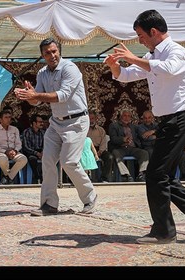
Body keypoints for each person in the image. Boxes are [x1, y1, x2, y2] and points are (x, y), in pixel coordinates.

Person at [103, 9, 185, 245]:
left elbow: (166, 69)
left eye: (140, 35)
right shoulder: (152, 56)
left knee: (156, 174)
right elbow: (126, 75)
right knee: (163, 176)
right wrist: (114, 66)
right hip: (169, 121)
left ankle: (164, 231)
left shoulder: (176, 51)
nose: (139, 40)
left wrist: (134, 58)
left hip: (182, 119)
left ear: (153, 31)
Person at [15, 37, 98, 216]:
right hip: (56, 122)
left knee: (69, 162)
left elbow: (62, 95)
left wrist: (35, 94)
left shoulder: (70, 68)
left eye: (54, 51)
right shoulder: (42, 73)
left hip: (76, 121)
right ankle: (49, 204)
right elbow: (37, 102)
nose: (51, 55)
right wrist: (27, 95)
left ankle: (90, 198)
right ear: (42, 55)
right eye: (47, 53)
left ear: (59, 51)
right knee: (47, 160)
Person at [0, 109, 27, 185]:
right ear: (0, 119)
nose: (8, 119)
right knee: (3, 159)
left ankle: (8, 177)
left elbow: (18, 143)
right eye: (6, 117)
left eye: (9, 117)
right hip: (0, 152)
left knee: (23, 159)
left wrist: (15, 151)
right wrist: (5, 151)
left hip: (13, 152)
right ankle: (8, 176)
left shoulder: (14, 129)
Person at [87, 110, 114, 182]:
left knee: (109, 157)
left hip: (99, 150)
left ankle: (104, 178)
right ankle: (87, 178)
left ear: (96, 119)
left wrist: (101, 151)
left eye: (92, 118)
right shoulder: (84, 130)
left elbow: (104, 142)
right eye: (89, 119)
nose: (91, 121)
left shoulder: (101, 130)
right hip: (87, 150)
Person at [22, 114, 45, 184]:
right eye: (40, 122)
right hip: (30, 152)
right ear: (34, 123)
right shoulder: (27, 132)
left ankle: (44, 176)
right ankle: (37, 176)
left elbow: (45, 144)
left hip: (40, 152)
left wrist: (43, 152)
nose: (42, 123)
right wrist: (36, 153)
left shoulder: (43, 133)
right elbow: (25, 147)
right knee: (32, 159)